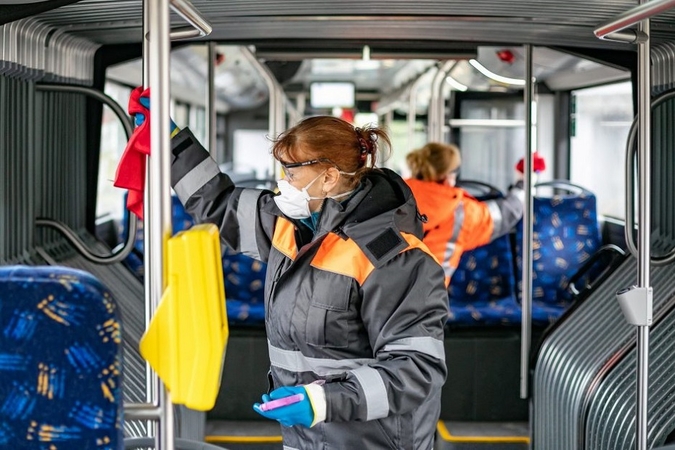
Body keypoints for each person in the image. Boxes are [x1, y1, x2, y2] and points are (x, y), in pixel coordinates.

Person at [118, 90, 449, 450]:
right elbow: (218, 204)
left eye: (291, 172)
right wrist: (172, 144)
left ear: (328, 177)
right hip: (307, 435)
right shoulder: (289, 223)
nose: (282, 183)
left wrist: (322, 402)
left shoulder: (395, 259)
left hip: (374, 439)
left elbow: (416, 370)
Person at [404, 142, 545, 281]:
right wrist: (523, 182)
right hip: (427, 294)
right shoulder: (461, 211)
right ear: (448, 177)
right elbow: (508, 212)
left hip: (387, 291)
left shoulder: (397, 194)